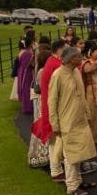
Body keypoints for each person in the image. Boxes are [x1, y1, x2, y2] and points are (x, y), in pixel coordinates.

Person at [47, 46, 97, 195]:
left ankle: (78, 180)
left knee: (81, 152)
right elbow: (52, 101)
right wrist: (55, 124)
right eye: (78, 57)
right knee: (70, 155)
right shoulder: (58, 75)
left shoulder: (75, 72)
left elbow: (81, 96)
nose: (81, 59)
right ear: (71, 60)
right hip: (66, 121)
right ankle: (72, 186)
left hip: (80, 119)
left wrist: (88, 114)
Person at [33, 39, 66, 180]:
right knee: (56, 141)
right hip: (54, 108)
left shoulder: (52, 62)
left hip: (50, 107)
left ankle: (57, 169)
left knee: (56, 141)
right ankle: (56, 170)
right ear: (59, 49)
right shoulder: (55, 65)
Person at [26, 46, 52, 168]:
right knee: (43, 126)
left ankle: (46, 153)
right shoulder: (42, 72)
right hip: (44, 100)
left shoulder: (42, 70)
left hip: (44, 100)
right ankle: (42, 153)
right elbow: (42, 88)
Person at [16, 34, 36, 114]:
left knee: (25, 89)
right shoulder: (28, 53)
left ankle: (26, 107)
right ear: (30, 44)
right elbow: (32, 64)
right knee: (28, 89)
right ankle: (29, 107)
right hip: (27, 73)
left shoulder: (22, 52)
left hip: (22, 71)